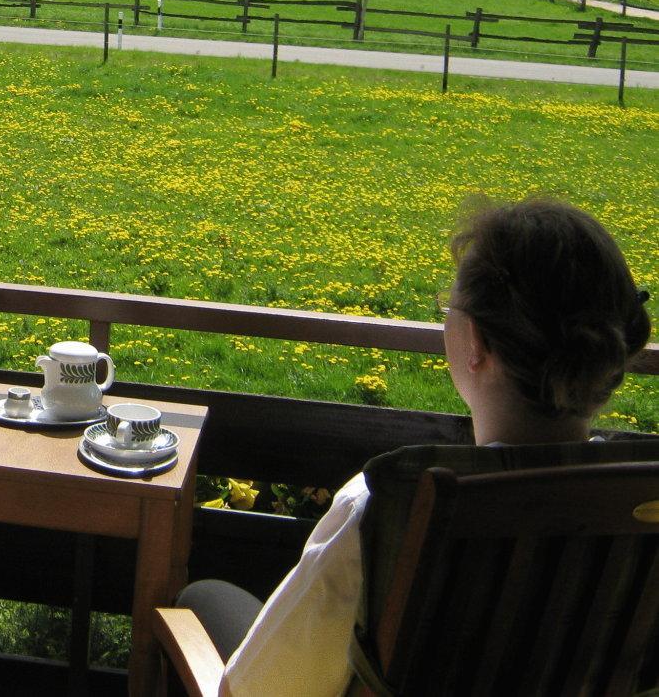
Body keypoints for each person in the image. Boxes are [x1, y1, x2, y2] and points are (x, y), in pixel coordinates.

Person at [177, 197, 652, 697]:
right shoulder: (644, 509)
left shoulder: (387, 507)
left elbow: (258, 690)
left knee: (202, 601)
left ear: (477, 344)